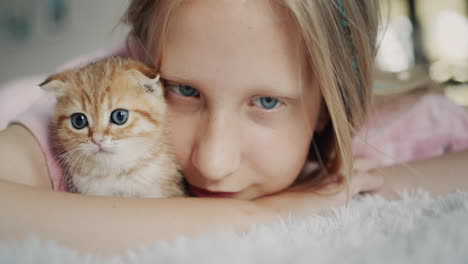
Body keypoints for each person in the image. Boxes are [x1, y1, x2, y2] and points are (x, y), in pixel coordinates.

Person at [0, 0, 467, 256]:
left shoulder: (402, 122)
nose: (213, 162)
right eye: (183, 90)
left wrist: (337, 185)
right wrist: (268, 214)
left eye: (267, 102)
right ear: (142, 62)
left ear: (330, 105)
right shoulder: (87, 109)